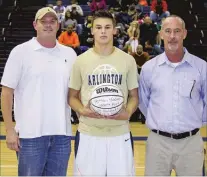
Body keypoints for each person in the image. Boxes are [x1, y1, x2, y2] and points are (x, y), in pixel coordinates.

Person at [0, 7, 77, 176]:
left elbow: (75, 93)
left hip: (61, 136)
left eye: (52, 21)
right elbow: (6, 92)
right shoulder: (20, 52)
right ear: (35, 24)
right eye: (44, 21)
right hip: (30, 135)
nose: (48, 25)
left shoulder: (70, 54)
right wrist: (9, 130)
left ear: (58, 25)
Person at [68, 10, 138, 176]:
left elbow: (134, 97)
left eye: (107, 27)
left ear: (115, 30)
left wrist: (127, 112)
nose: (103, 31)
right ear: (92, 30)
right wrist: (83, 110)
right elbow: (71, 97)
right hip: (88, 133)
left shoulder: (128, 60)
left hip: (119, 133)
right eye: (98, 27)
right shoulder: (80, 61)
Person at [139, 15, 207, 176]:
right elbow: (143, 102)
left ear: (184, 33)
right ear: (161, 34)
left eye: (177, 31)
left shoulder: (201, 67)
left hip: (191, 143)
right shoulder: (149, 68)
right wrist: (160, 122)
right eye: (168, 31)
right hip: (158, 143)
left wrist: (193, 122)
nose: (172, 36)